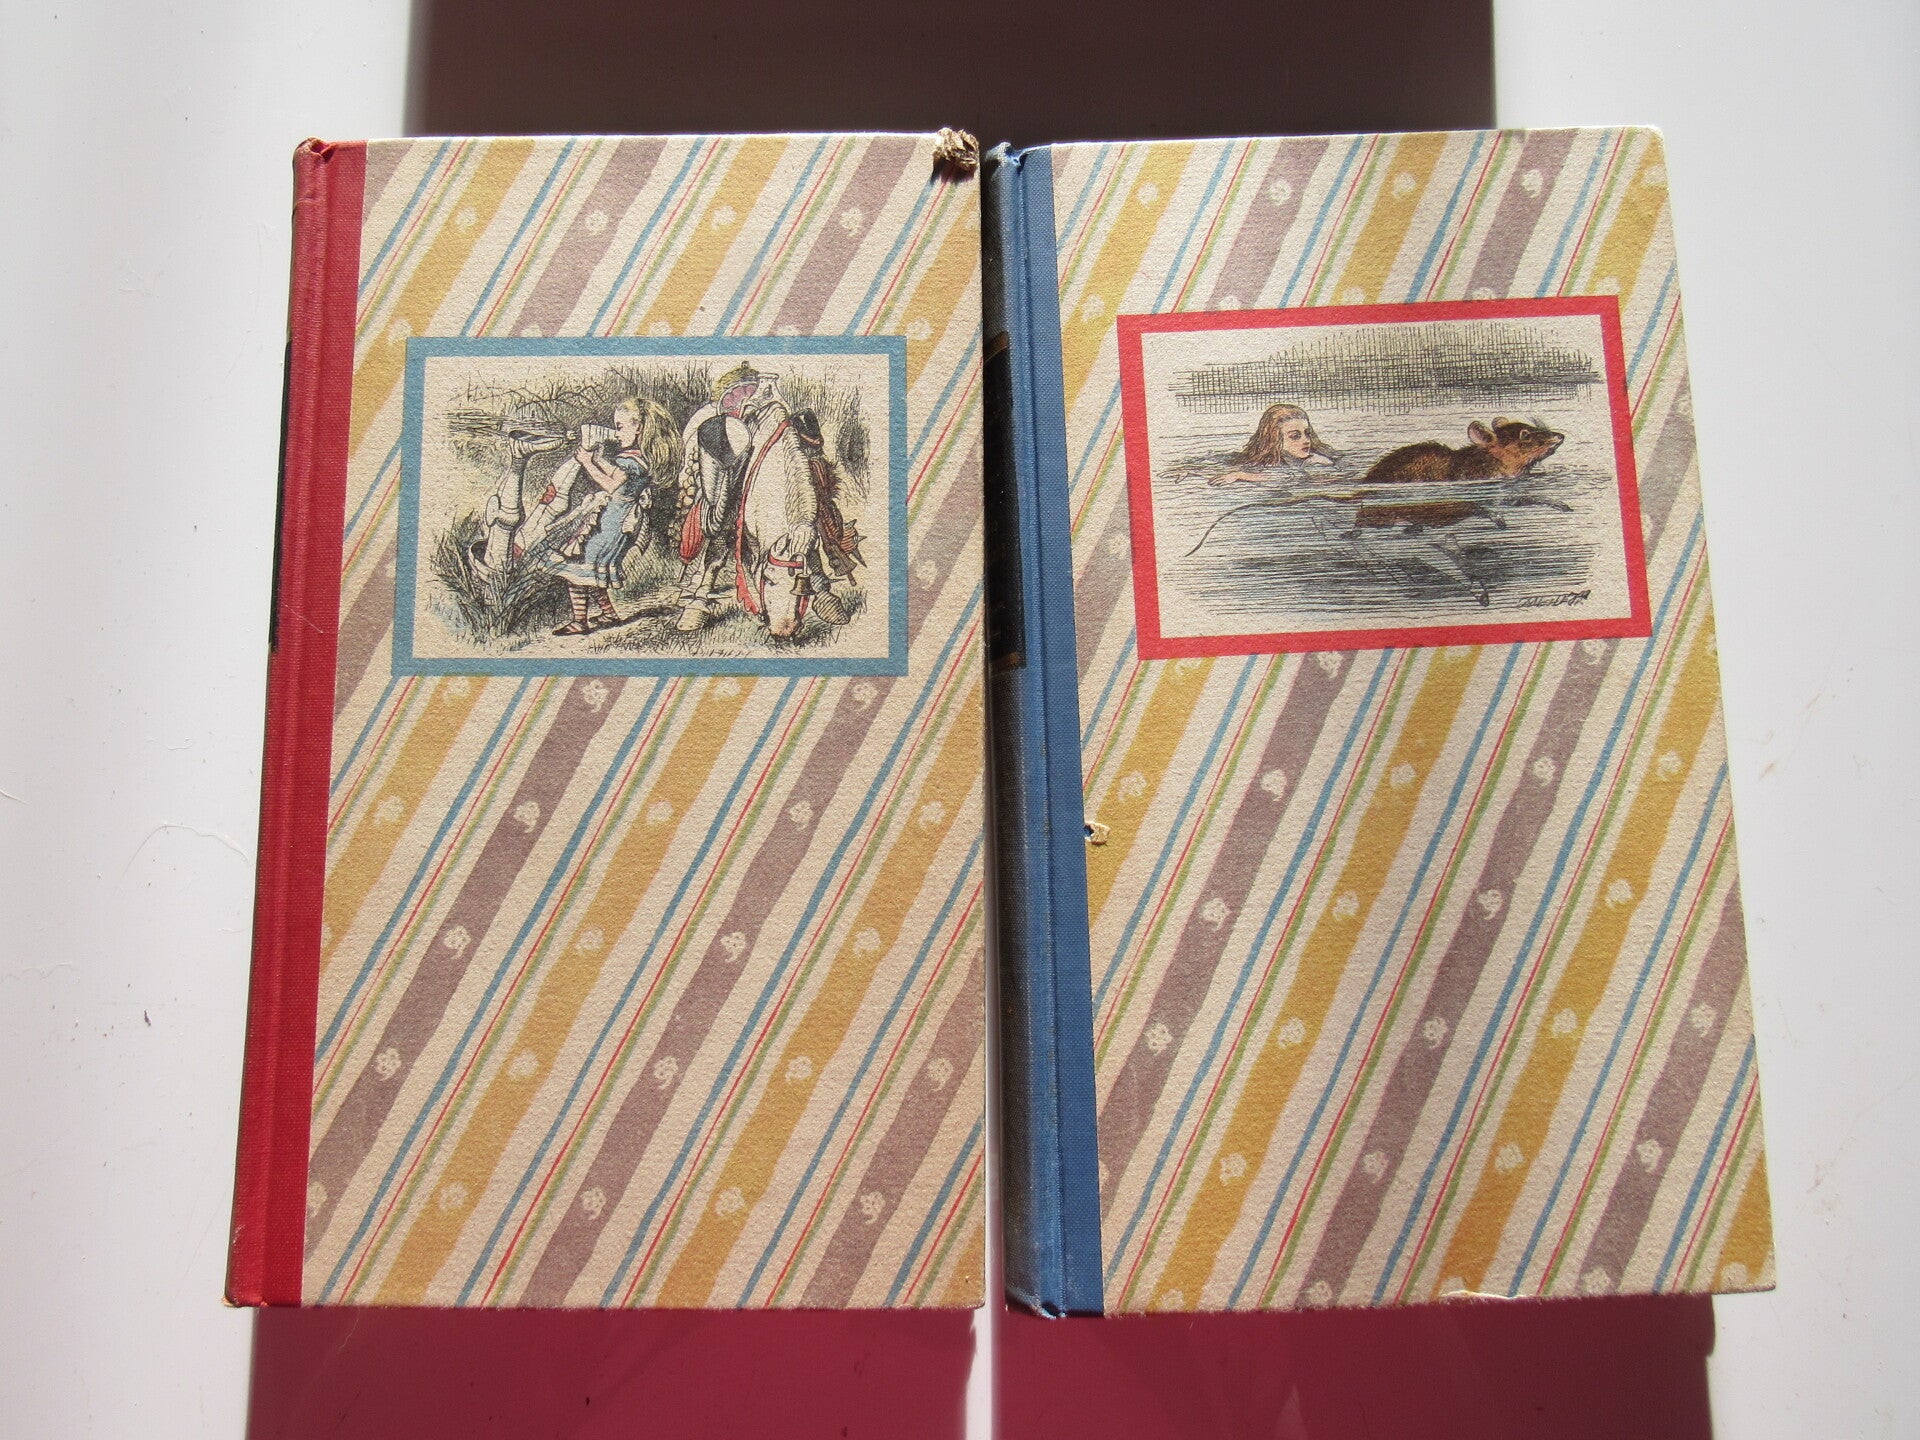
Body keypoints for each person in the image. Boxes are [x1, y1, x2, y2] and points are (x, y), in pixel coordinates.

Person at [546, 396, 662, 635]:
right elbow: (616, 474)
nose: (616, 434)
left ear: (638, 428)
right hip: (614, 519)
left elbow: (611, 485)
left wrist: (587, 463)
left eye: (620, 427)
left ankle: (580, 621)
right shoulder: (636, 459)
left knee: (577, 568)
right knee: (590, 571)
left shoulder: (631, 462)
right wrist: (597, 459)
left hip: (613, 522)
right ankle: (609, 614)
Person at [671, 365, 760, 632]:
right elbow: (690, 455)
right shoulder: (707, 417)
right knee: (708, 526)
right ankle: (698, 586)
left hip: (745, 479)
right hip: (710, 484)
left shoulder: (757, 414)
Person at [1212, 402, 1337, 484]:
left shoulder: (1317, 462)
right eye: (1295, 436)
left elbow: (1284, 477)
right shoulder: (1268, 461)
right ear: (1275, 439)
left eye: (1307, 434)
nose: (1306, 441)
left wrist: (1240, 475)